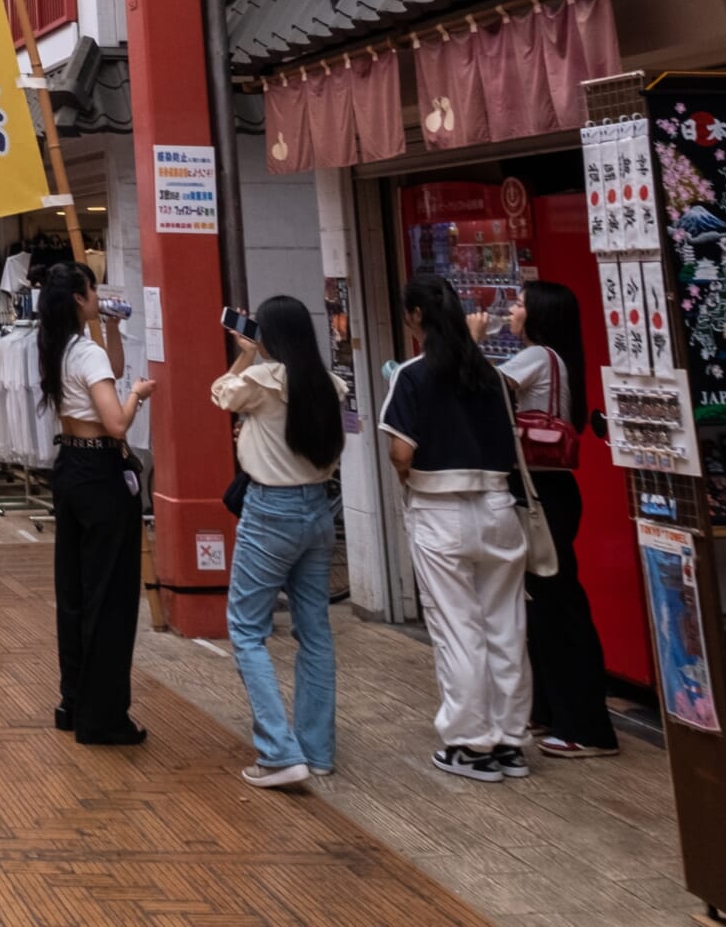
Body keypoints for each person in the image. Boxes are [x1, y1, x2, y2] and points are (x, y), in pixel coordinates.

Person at [382, 273, 533, 781]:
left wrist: (409, 474)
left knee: (458, 629)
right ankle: (511, 739)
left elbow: (401, 452)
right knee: (505, 626)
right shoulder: (490, 374)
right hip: (499, 507)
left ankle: (470, 743)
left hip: (440, 509)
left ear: (417, 317)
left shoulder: (413, 374)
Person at [211, 294, 347, 787]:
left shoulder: (263, 380)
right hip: (316, 511)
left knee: (246, 629)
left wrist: (245, 353)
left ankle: (277, 751)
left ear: (268, 334)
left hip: (271, 513)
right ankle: (318, 751)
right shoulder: (329, 385)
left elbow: (220, 394)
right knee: (314, 631)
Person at [503, 281, 617, 759]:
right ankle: (553, 712)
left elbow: (480, 392)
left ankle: (587, 728)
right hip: (548, 491)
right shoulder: (557, 357)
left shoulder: (537, 357)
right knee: (545, 605)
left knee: (557, 605)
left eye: (521, 303)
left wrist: (460, 342)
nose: (512, 309)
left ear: (539, 315)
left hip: (539, 493)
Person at [44, 261, 152, 744]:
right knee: (109, 595)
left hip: (70, 468)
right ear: (80, 297)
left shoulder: (58, 346)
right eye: (93, 292)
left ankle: (75, 699)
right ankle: (104, 716)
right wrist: (138, 396)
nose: (98, 297)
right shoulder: (84, 352)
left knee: (75, 590)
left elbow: (109, 370)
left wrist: (110, 328)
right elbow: (116, 424)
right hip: (99, 472)